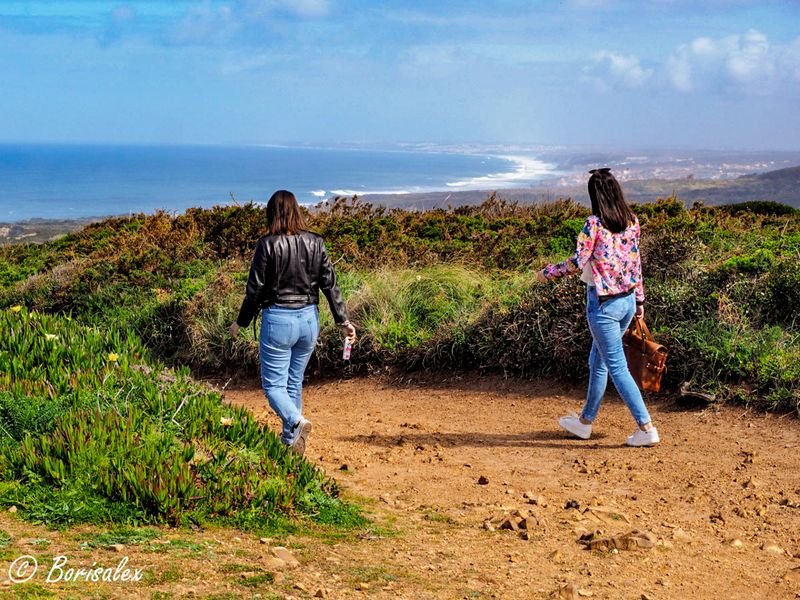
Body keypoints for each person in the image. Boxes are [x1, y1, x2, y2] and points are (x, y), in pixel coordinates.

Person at [536, 168, 659, 447]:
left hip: (603, 305)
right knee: (599, 361)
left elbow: (577, 263)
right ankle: (585, 422)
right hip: (627, 301)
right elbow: (636, 264)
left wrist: (547, 272)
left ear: (595, 195)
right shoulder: (632, 221)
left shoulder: (593, 224)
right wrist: (639, 300)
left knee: (616, 367)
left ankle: (646, 427)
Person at [230, 190, 356, 455]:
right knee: (293, 382)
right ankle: (291, 443)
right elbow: (329, 284)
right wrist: (343, 320)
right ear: (297, 210)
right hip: (309, 320)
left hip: (278, 320)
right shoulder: (316, 242)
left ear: (272, 213)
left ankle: (295, 421)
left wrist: (240, 323)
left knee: (273, 386)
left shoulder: (267, 245)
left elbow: (254, 291)